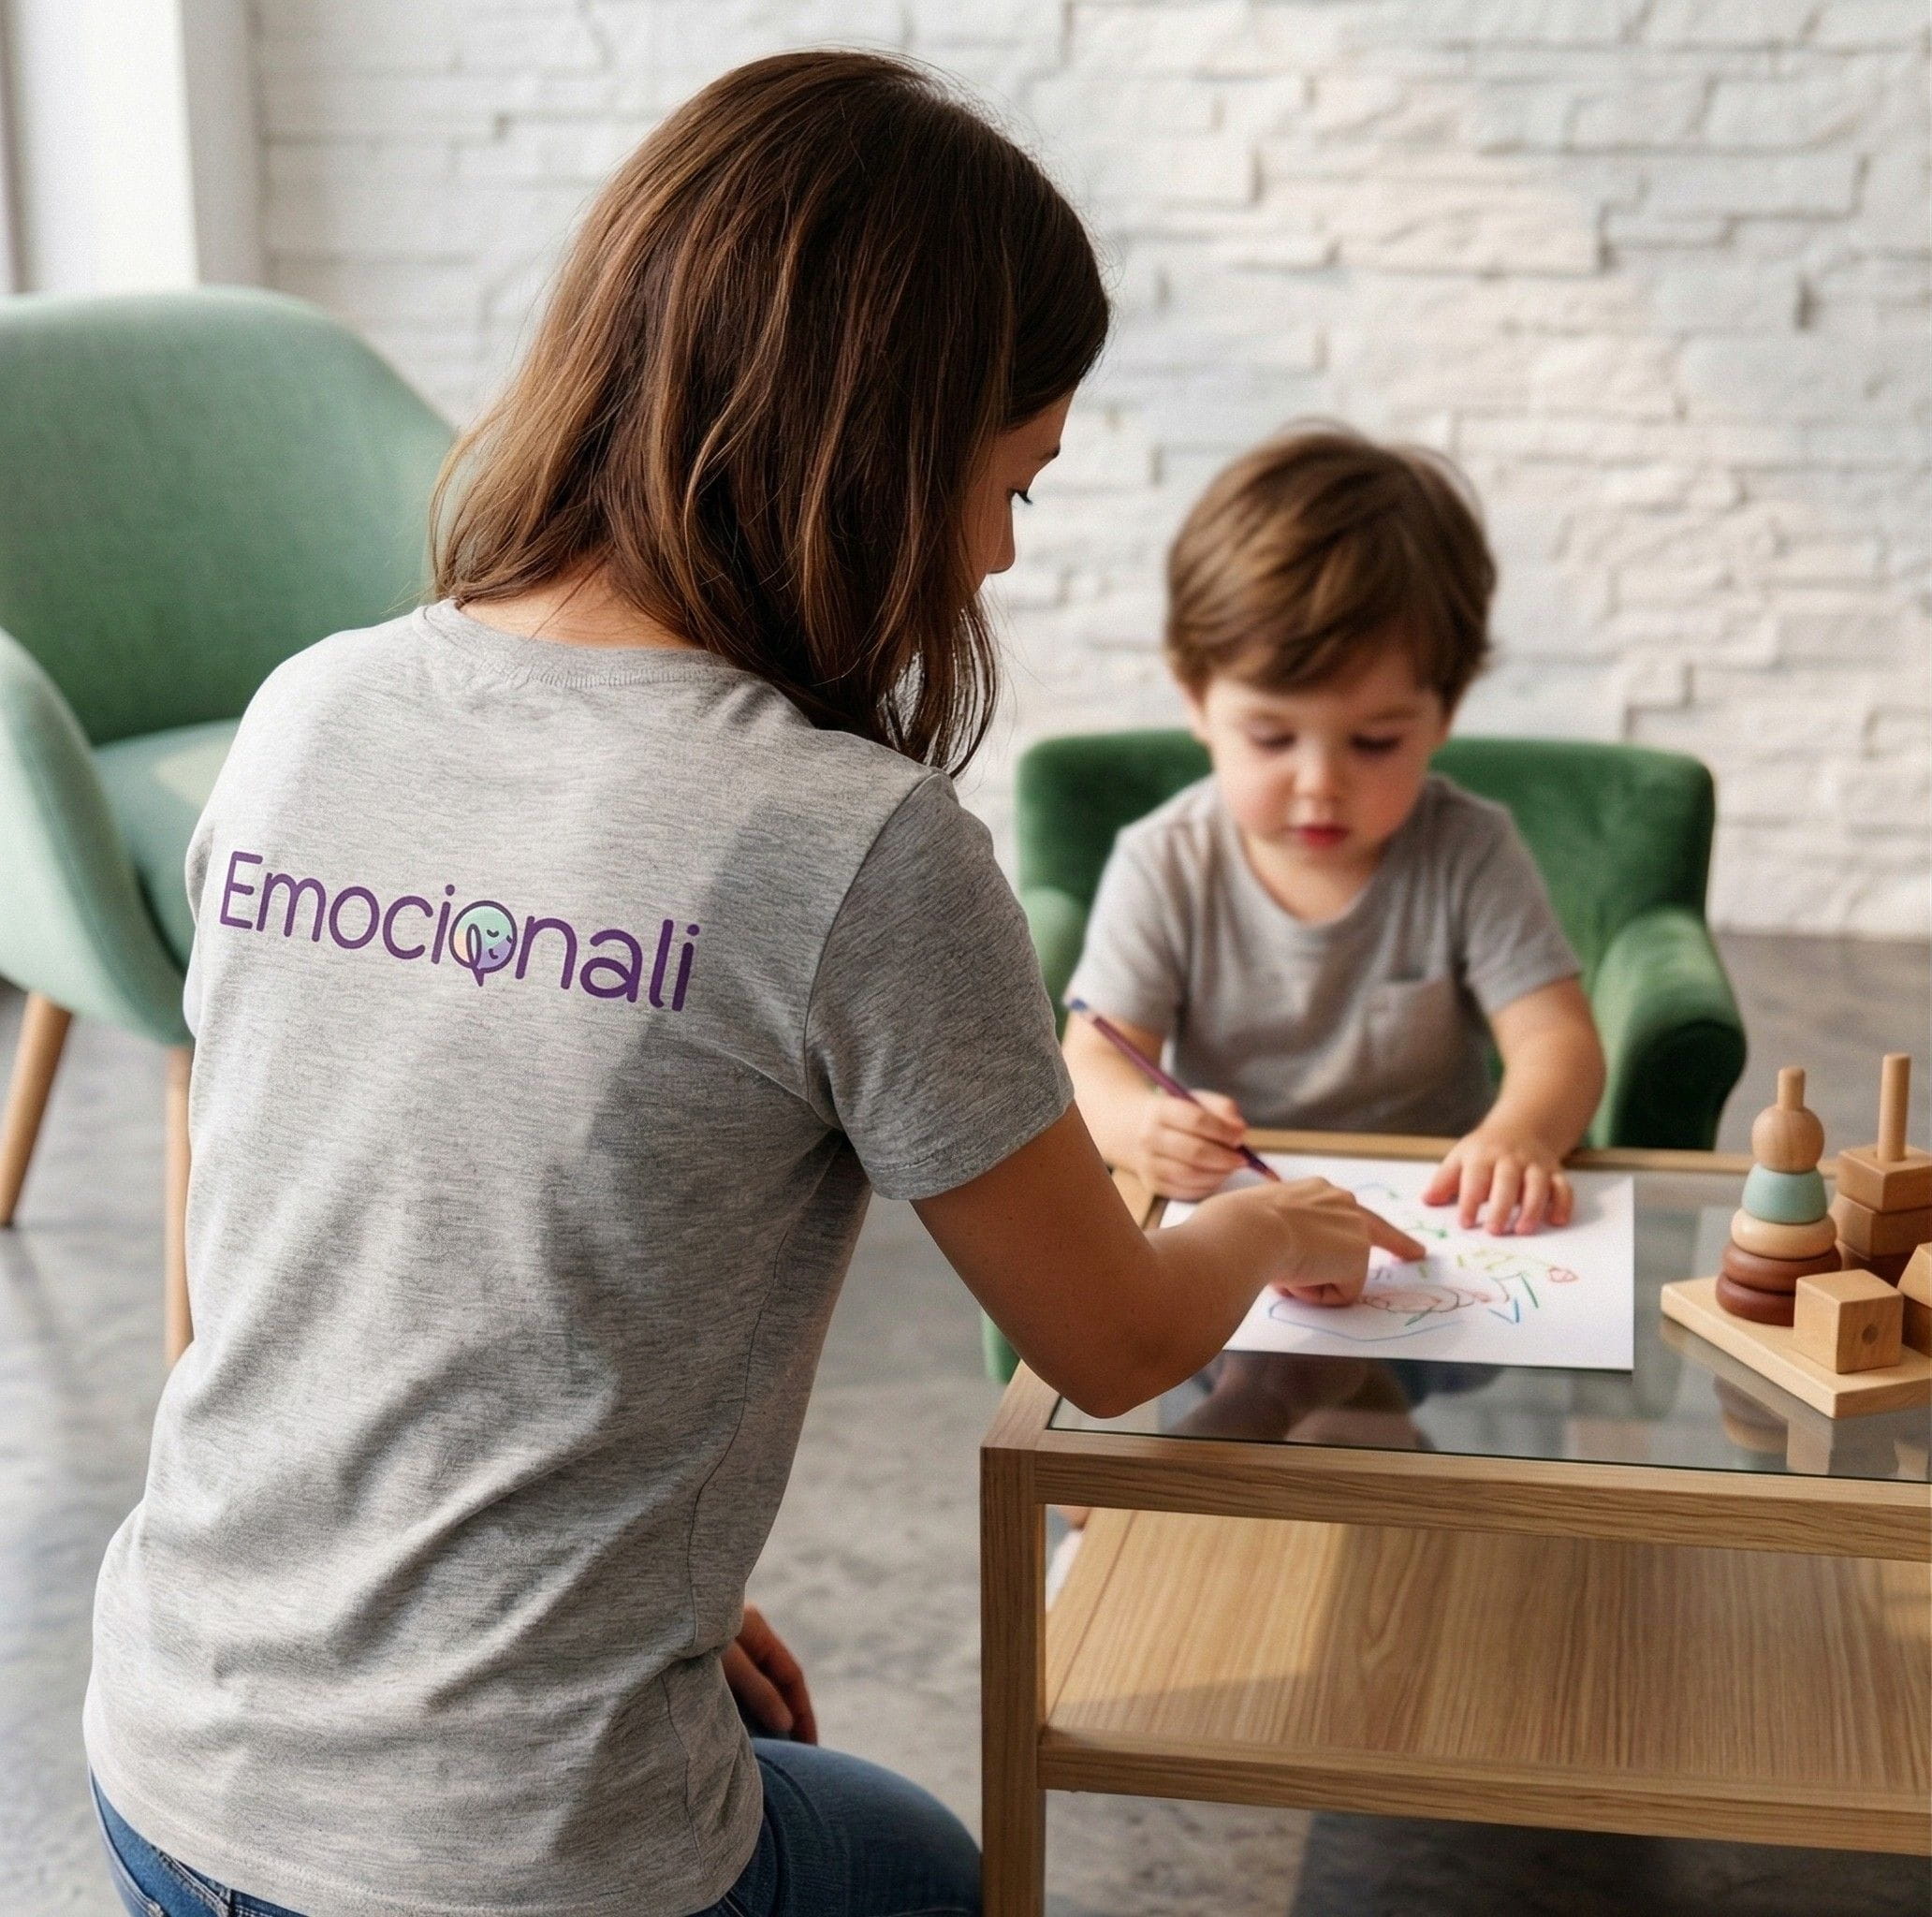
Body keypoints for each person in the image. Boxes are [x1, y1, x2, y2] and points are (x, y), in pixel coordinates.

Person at [84, 52, 1420, 1917]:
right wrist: (1268, 1221)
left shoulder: (312, 708)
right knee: (926, 1870)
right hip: (511, 1862)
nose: (996, 552)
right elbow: (1113, 1346)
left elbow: (330, 1268)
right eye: (1007, 483)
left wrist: (646, 1594)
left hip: (161, 1760)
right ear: (882, 449)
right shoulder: (849, 844)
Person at [1064, 426, 1606, 1233]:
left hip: (1434, 1212)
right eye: (1271, 738)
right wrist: (1142, 1127)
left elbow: (1558, 1040)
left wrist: (1519, 1133)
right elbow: (1094, 1061)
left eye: (1375, 742)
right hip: (1242, 1215)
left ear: (1444, 713)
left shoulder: (1468, 850)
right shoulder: (1165, 863)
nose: (1320, 784)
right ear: (1196, 701)